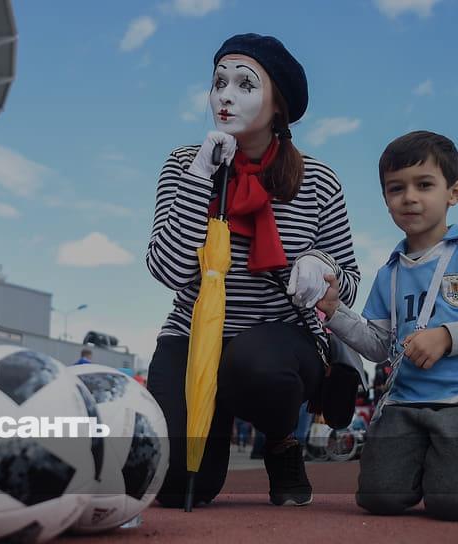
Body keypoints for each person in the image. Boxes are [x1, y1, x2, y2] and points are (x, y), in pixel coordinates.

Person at [146, 33, 360, 508]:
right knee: (178, 486)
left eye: (245, 85)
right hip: (193, 335)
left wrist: (320, 267)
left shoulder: (318, 179)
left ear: (278, 105)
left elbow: (348, 280)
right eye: (219, 82)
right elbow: (168, 269)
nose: (225, 96)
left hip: (277, 343)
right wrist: (199, 179)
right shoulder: (183, 164)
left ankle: (281, 441)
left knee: (255, 365)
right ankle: (212, 422)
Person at [317, 130, 458, 520]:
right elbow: (379, 347)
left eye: (424, 185)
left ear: (454, 192)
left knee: (455, 505)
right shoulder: (388, 274)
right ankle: (450, 461)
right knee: (378, 499)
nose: (409, 197)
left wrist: (448, 336)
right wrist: (334, 312)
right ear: (386, 200)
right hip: (405, 402)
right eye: (396, 188)